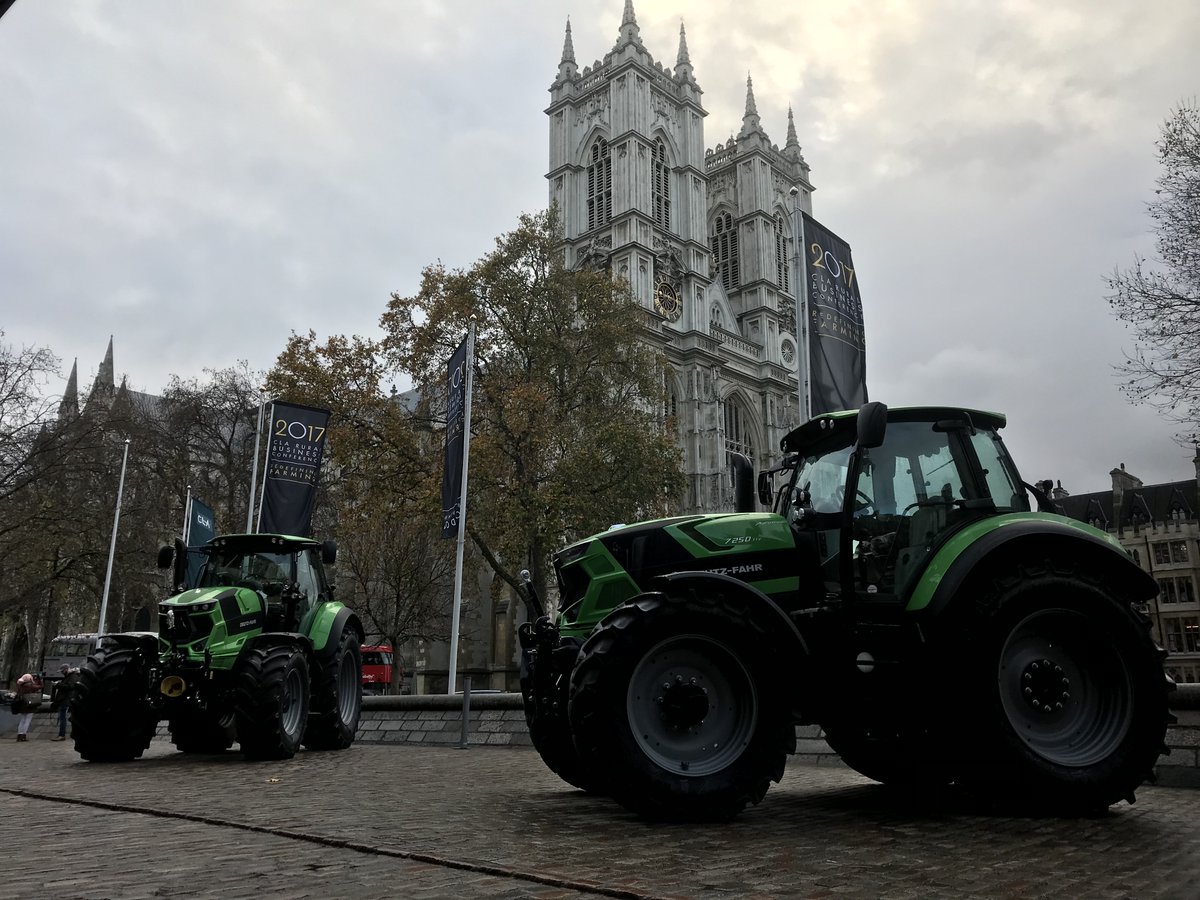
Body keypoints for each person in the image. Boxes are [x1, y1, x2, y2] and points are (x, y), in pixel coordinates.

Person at [50, 663, 80, 741]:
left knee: (62, 717)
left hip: (66, 700)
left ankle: (62, 735)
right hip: (65, 699)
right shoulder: (69, 676)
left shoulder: (73, 676)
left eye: (62, 671)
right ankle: (62, 734)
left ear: (66, 669)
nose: (61, 672)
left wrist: (58, 684)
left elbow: (69, 687)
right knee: (62, 717)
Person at [13, 672, 42, 742]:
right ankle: (23, 735)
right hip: (29, 705)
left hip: (22, 704)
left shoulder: (21, 685)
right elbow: (40, 686)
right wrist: (40, 680)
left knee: (22, 720)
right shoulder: (30, 685)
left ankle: (19, 735)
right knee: (27, 720)